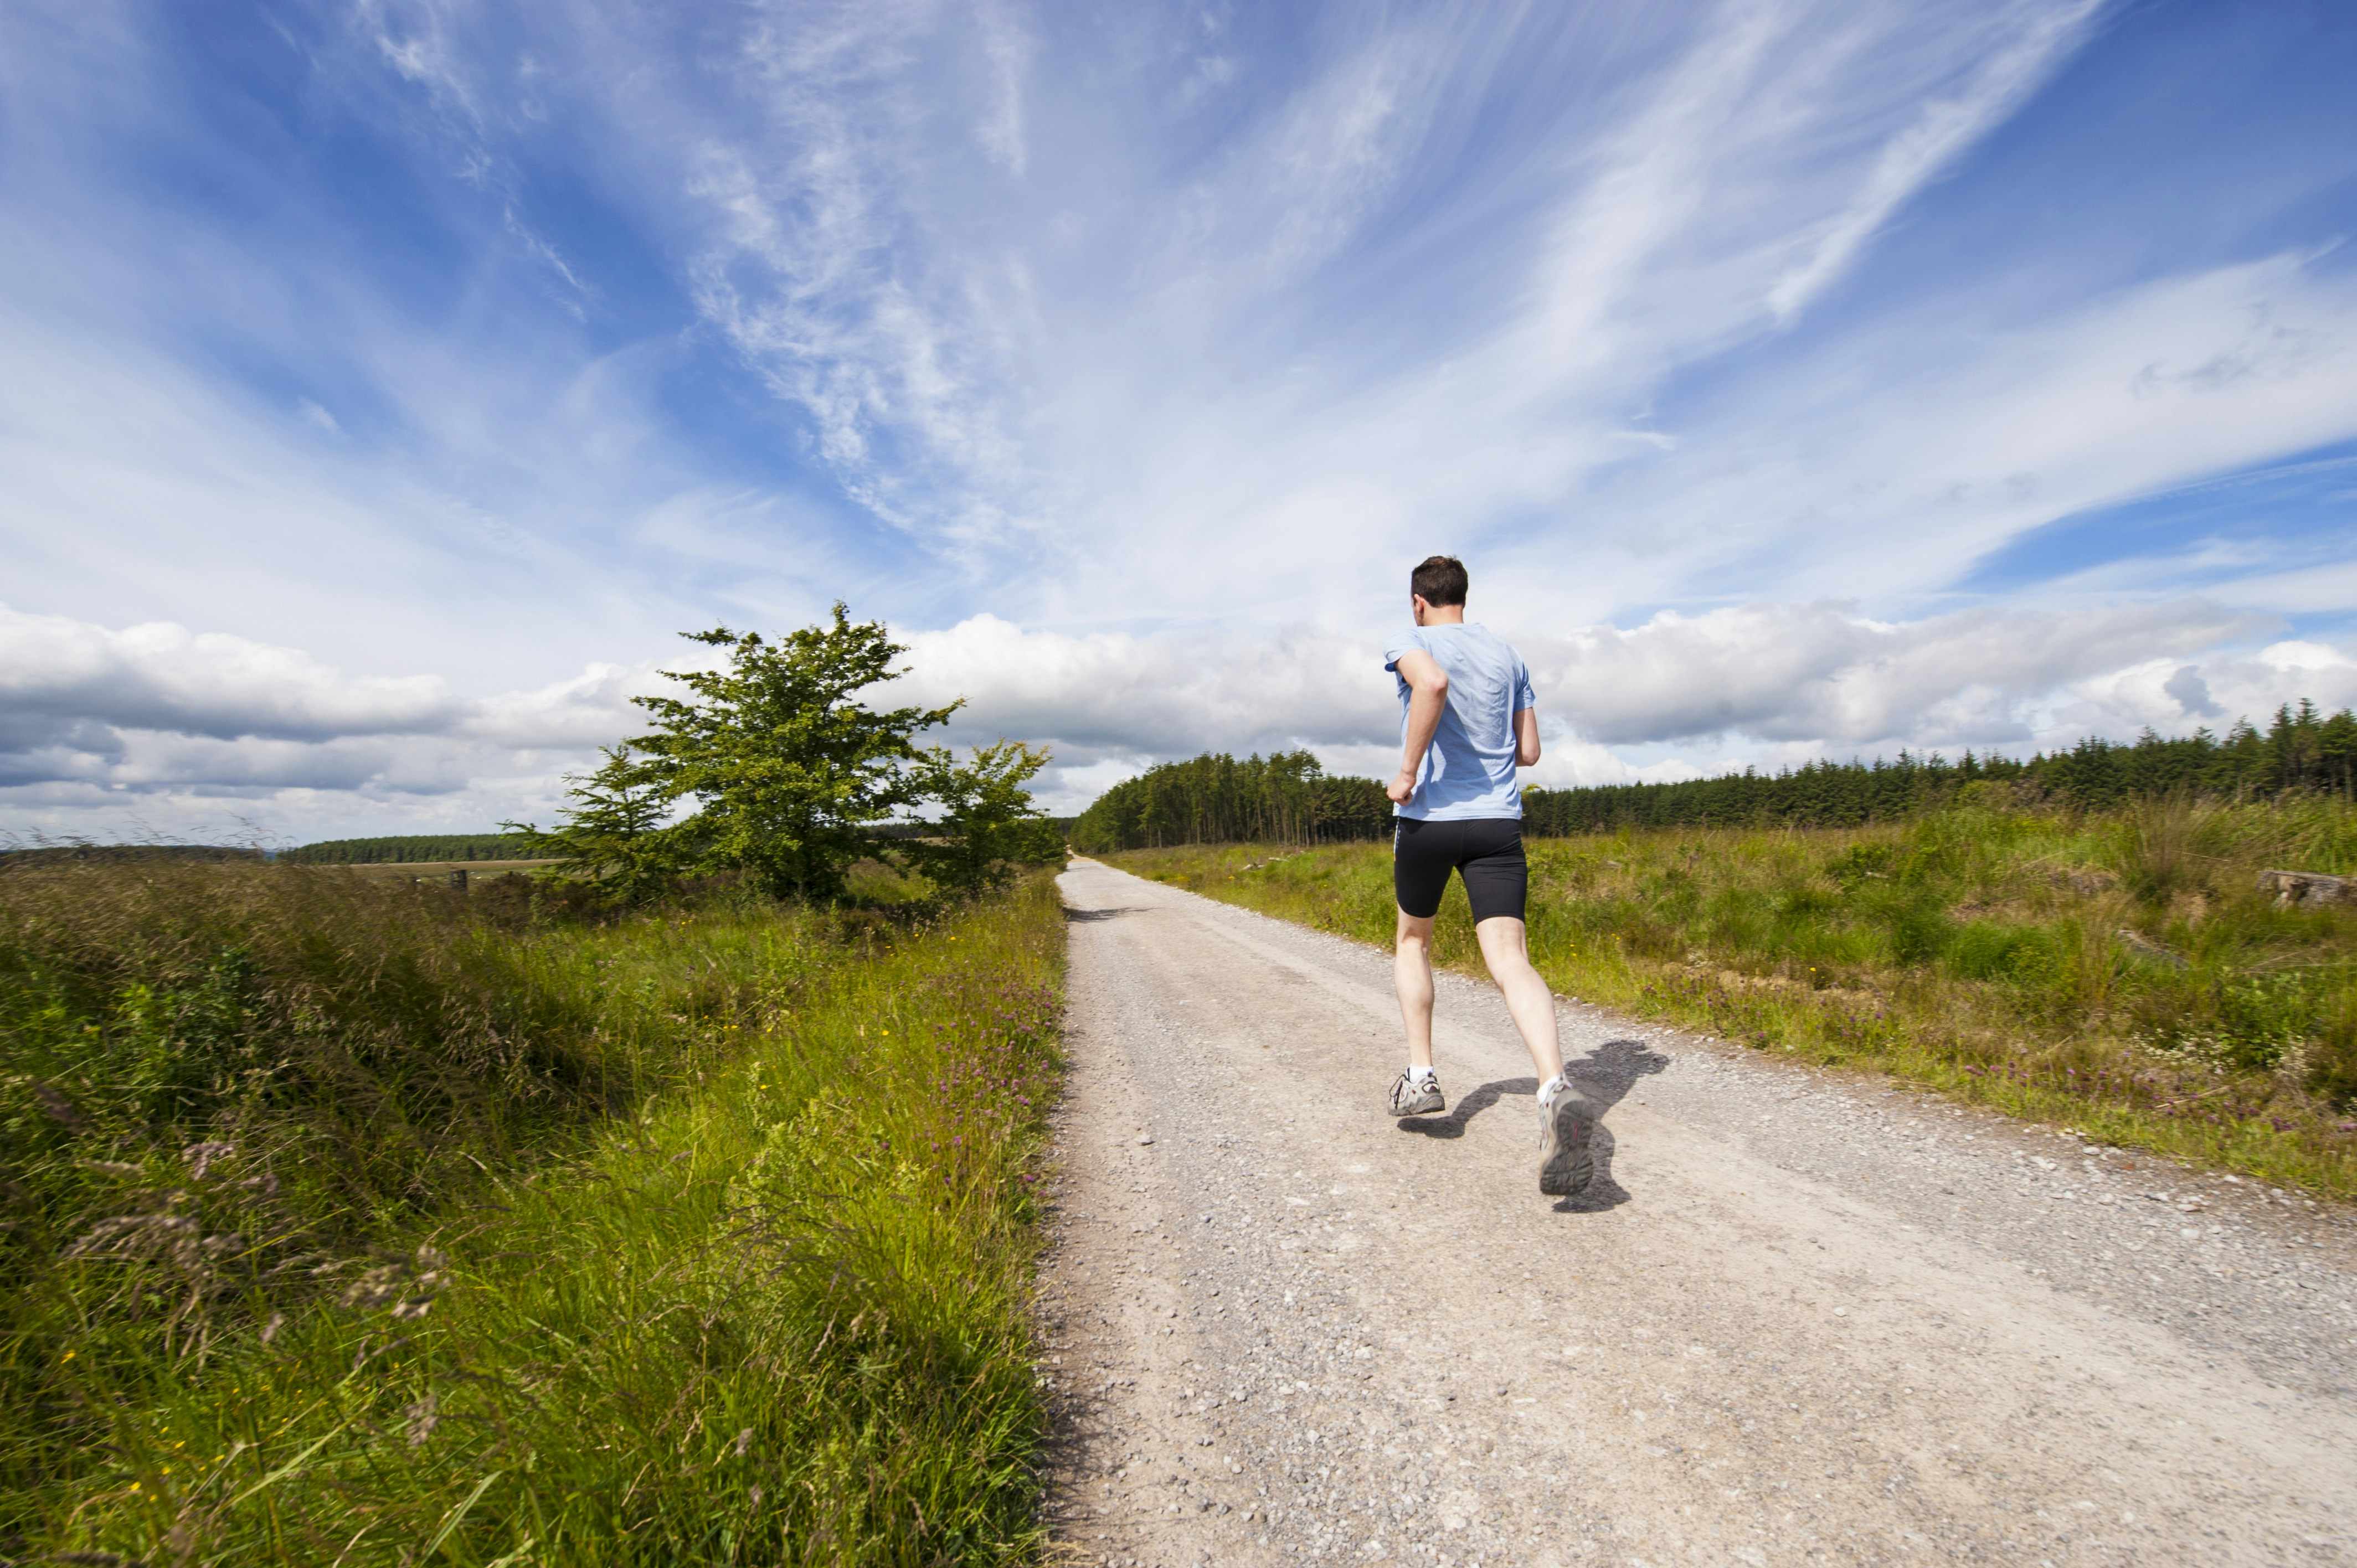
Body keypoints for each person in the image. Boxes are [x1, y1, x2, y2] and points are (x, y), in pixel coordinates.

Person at [1382, 555, 1597, 1196]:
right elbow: (1528, 750)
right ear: (1463, 598)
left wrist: (1406, 771)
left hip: (1429, 821)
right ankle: (1554, 1085)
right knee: (1509, 958)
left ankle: (1421, 1077)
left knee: (1413, 940)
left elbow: (1432, 685)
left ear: (1418, 602)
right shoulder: (1508, 655)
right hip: (1498, 823)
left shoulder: (1411, 640)